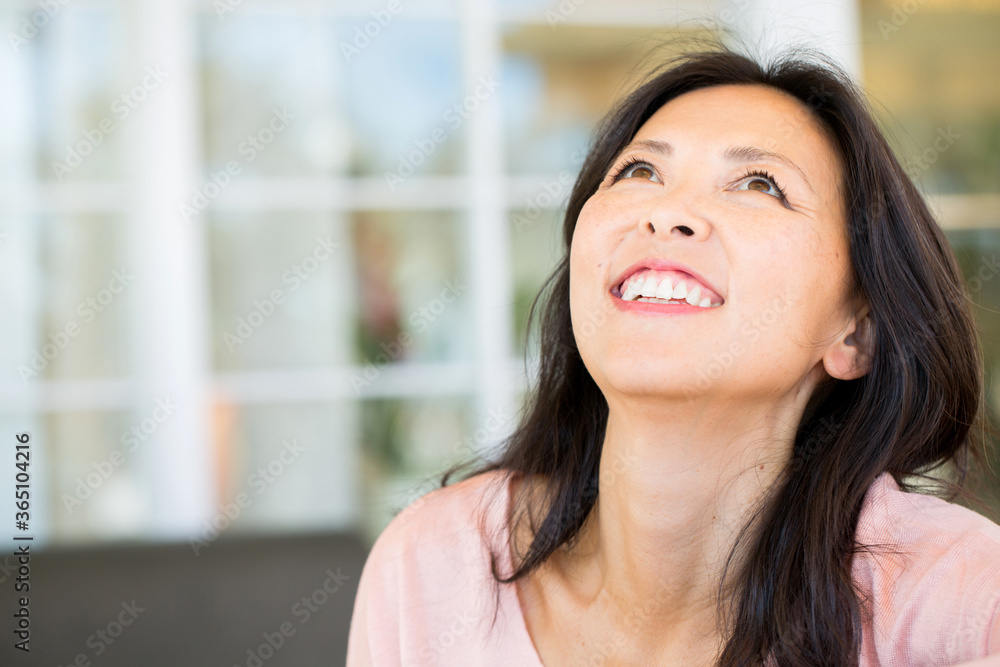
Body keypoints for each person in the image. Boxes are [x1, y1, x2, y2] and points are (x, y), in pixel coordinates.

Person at [346, 46, 1000, 666]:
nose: (669, 213)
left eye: (760, 184)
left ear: (856, 336)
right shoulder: (432, 566)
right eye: (639, 171)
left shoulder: (959, 594)